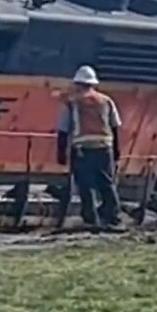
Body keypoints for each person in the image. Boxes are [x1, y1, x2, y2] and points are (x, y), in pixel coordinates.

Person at [56, 65, 125, 231]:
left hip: (82, 149)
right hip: (104, 147)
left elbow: (63, 130)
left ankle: (91, 219)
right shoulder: (106, 101)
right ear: (93, 83)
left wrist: (61, 153)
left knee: (86, 185)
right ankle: (114, 218)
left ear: (78, 83)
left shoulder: (72, 103)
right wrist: (117, 150)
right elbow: (115, 126)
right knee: (107, 183)